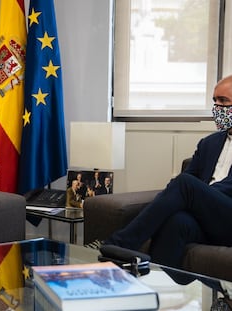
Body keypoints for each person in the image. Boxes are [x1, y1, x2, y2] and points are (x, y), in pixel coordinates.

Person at [86, 74, 232, 284]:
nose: (217, 107)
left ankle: (121, 242)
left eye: (224, 101)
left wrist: (197, 196)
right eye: (214, 101)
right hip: (207, 218)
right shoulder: (208, 143)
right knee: (177, 221)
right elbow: (190, 178)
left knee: (184, 185)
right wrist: (195, 199)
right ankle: (160, 287)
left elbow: (211, 187)